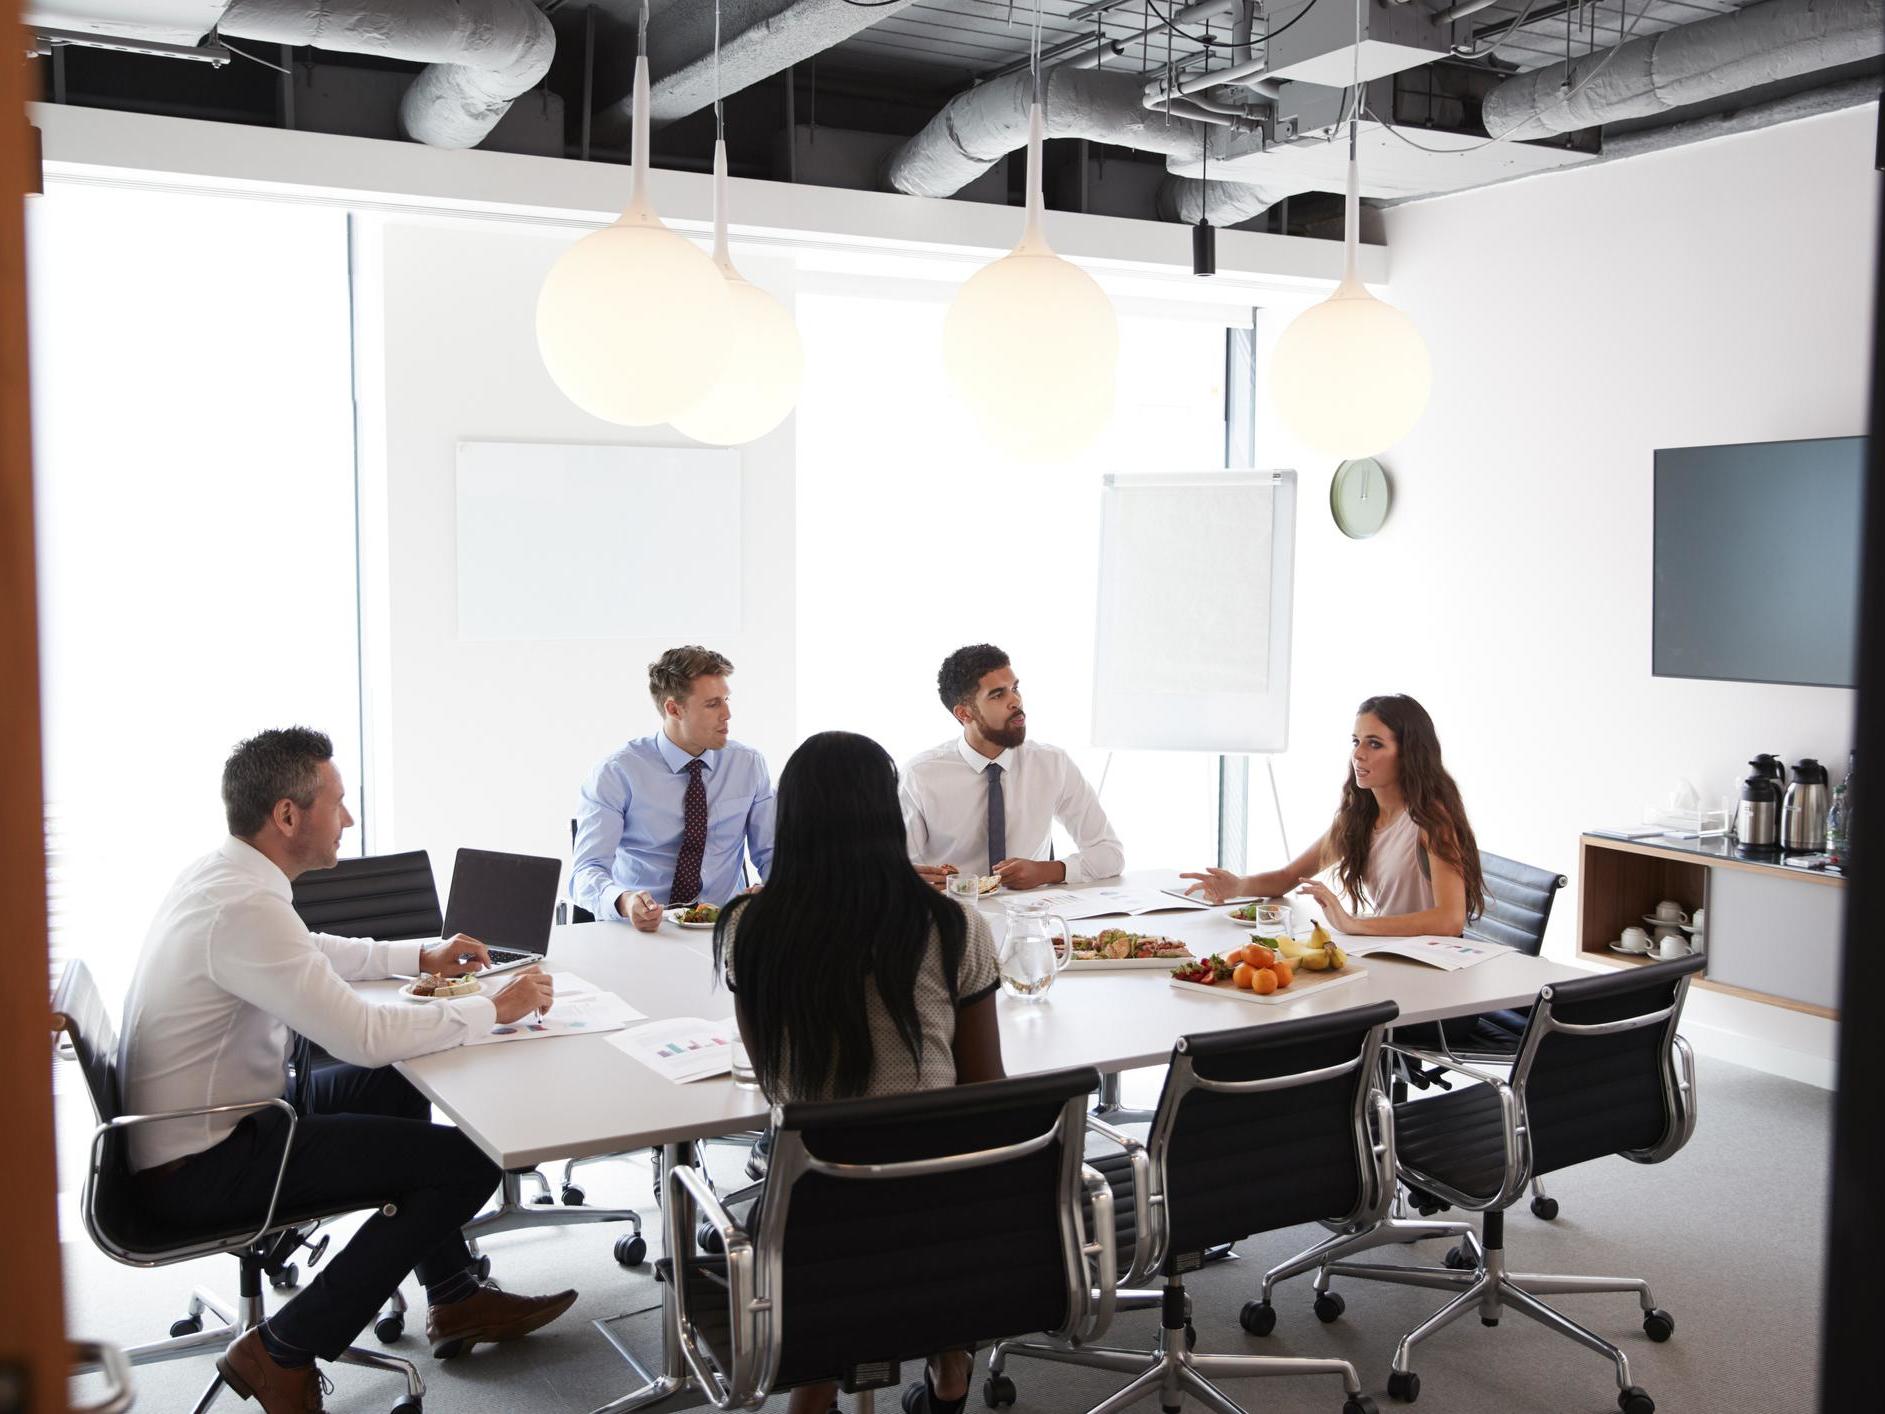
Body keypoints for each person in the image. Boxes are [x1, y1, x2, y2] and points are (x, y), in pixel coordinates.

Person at [117, 728, 577, 1414]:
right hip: (207, 1166)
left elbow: (310, 951)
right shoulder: (243, 906)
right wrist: (492, 1008)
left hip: (211, 1128)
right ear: (287, 815)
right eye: (338, 802)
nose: (350, 819)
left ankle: (453, 1295)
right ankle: (283, 1349)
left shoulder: (228, 877)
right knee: (469, 1164)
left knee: (396, 1081)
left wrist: (419, 955)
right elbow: (361, 1035)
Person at [714, 731, 1004, 1414]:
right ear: (887, 814)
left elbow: (773, 1084)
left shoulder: (748, 928)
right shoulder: (953, 925)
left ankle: (814, 1383)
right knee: (938, 1161)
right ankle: (950, 1362)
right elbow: (984, 1090)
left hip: (813, 1209)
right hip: (936, 1202)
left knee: (815, 1188)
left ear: (792, 819)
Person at [1183, 694, 1484, 936]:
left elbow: (1449, 921)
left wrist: (1352, 924)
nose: (1358, 754)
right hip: (1392, 953)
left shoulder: (1432, 820)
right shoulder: (1360, 818)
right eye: (1356, 741)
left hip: (1434, 972)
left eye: (1374, 743)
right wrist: (1239, 886)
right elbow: (1288, 877)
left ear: (1409, 753)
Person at [572, 645, 775, 932]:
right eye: (713, 704)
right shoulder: (617, 772)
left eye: (726, 699)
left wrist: (773, 889)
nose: (727, 714)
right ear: (673, 708)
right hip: (642, 931)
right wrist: (624, 900)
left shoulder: (748, 765)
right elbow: (585, 872)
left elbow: (772, 853)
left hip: (723, 931)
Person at [901, 644, 1123, 891]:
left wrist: (1046, 871)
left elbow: (1110, 853)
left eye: (1015, 688)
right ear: (964, 714)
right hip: (955, 917)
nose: (1015, 701)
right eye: (997, 695)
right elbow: (894, 868)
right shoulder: (920, 776)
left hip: (1033, 918)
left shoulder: (1052, 764)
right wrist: (919, 881)